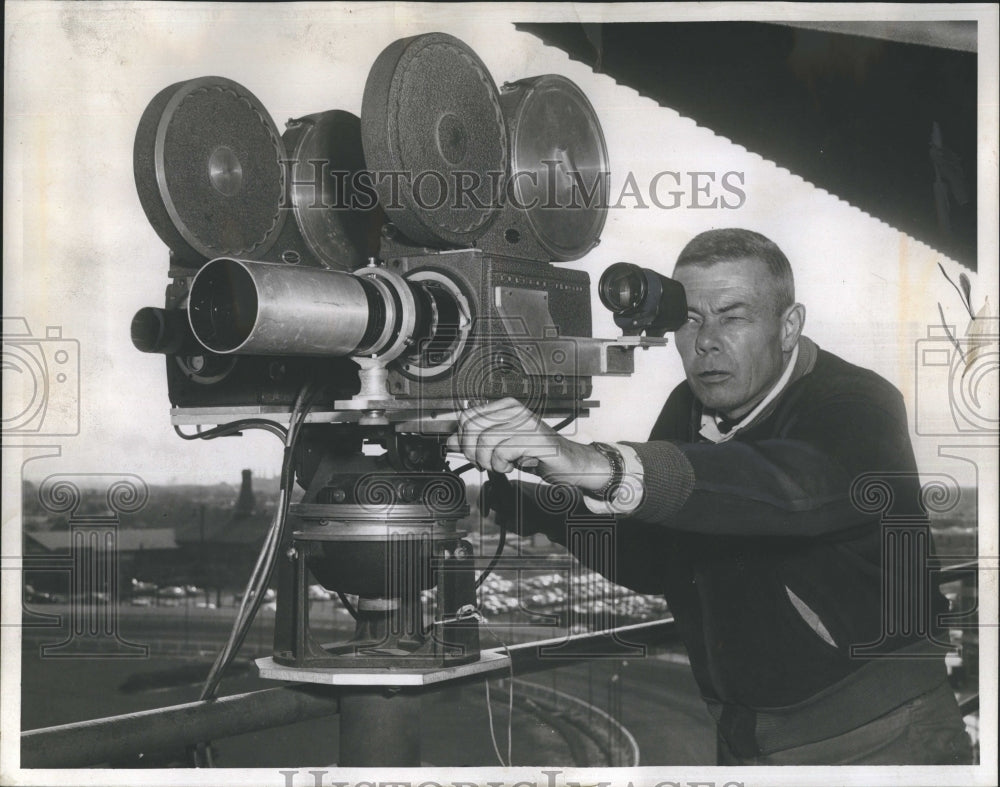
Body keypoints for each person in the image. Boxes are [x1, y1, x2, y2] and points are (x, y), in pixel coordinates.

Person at [446, 228, 973, 765]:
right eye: (690, 319)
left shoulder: (858, 403)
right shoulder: (688, 409)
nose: (705, 342)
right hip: (745, 738)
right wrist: (537, 503)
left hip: (877, 734)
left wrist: (591, 461)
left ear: (789, 327)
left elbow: (788, 489)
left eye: (733, 316)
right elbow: (653, 558)